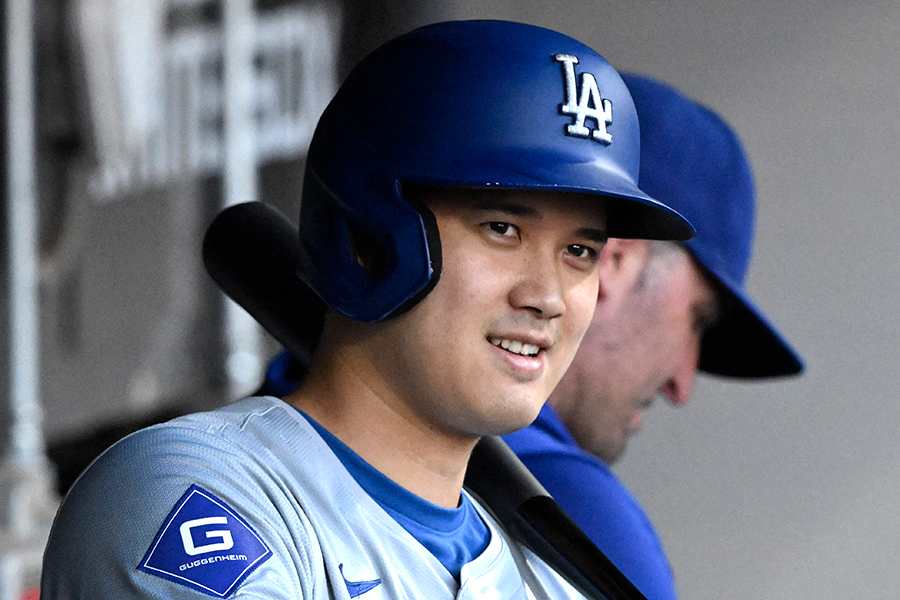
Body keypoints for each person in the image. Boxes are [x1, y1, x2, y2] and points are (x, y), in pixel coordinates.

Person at [40, 21, 693, 599]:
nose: (546, 296)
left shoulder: (551, 579)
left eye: (578, 250)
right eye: (501, 229)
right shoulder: (191, 493)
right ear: (368, 236)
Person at [503, 73, 805, 600]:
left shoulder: (330, 391)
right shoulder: (560, 501)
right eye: (698, 319)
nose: (681, 385)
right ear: (612, 261)